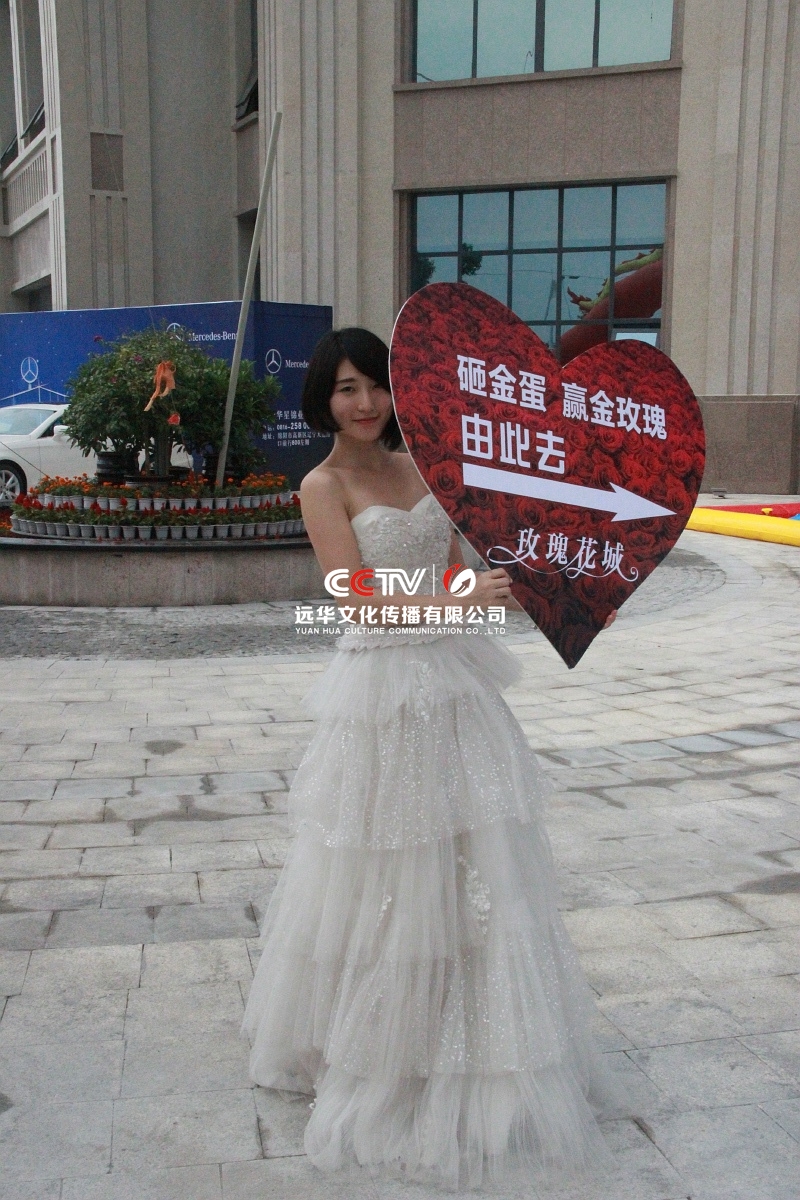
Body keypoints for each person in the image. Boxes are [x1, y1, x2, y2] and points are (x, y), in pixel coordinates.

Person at [242, 327, 626, 1191]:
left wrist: (523, 582)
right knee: (386, 872)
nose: (365, 403)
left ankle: (472, 1037)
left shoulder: (427, 466)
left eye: (375, 384)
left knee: (475, 869)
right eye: (346, 388)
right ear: (323, 398)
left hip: (455, 686)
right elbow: (356, 598)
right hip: (381, 695)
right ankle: (381, 1047)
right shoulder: (323, 485)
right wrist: (460, 594)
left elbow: (462, 569)